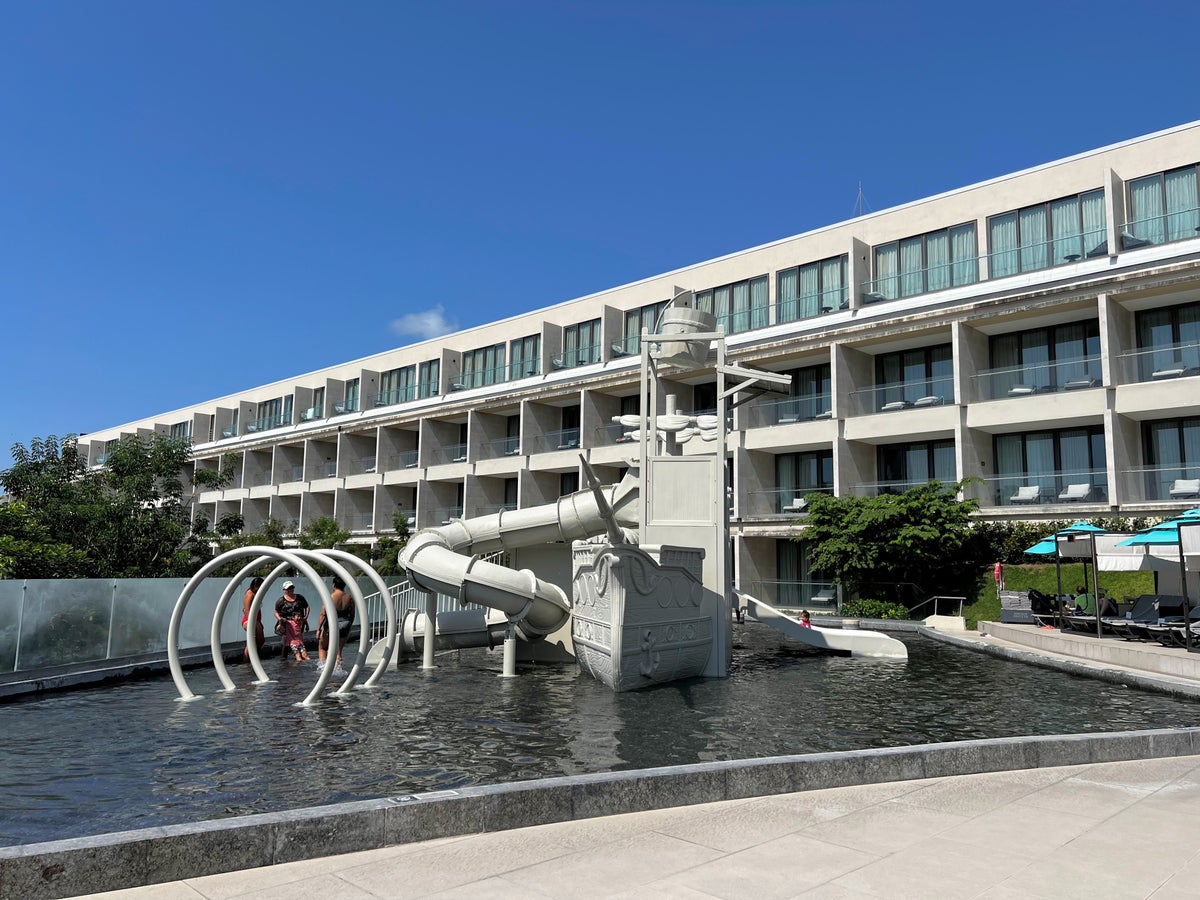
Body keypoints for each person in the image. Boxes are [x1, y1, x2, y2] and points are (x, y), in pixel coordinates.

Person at [317, 576, 355, 676]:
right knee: (338, 651)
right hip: (345, 624)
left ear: (334, 585)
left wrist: (318, 629)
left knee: (323, 647)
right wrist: (349, 625)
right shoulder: (349, 598)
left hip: (332, 625)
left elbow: (323, 614)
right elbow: (352, 614)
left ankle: (323, 669)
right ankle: (338, 669)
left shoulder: (331, 597)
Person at [274, 581, 310, 661]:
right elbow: (276, 611)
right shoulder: (281, 600)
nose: (291, 590)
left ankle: (300, 657)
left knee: (299, 640)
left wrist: (306, 617)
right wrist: (279, 619)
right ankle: (284, 658)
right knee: (286, 641)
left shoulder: (300, 597)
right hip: (286, 624)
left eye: (292, 588)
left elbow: (307, 607)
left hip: (298, 622)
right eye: (288, 588)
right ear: (284, 590)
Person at [241, 576, 265, 663]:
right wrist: (255, 623)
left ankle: (253, 662)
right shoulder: (250, 593)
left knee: (255, 643)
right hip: (249, 621)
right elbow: (247, 611)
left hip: (256, 621)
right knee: (255, 642)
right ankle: (247, 663)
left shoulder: (257, 593)